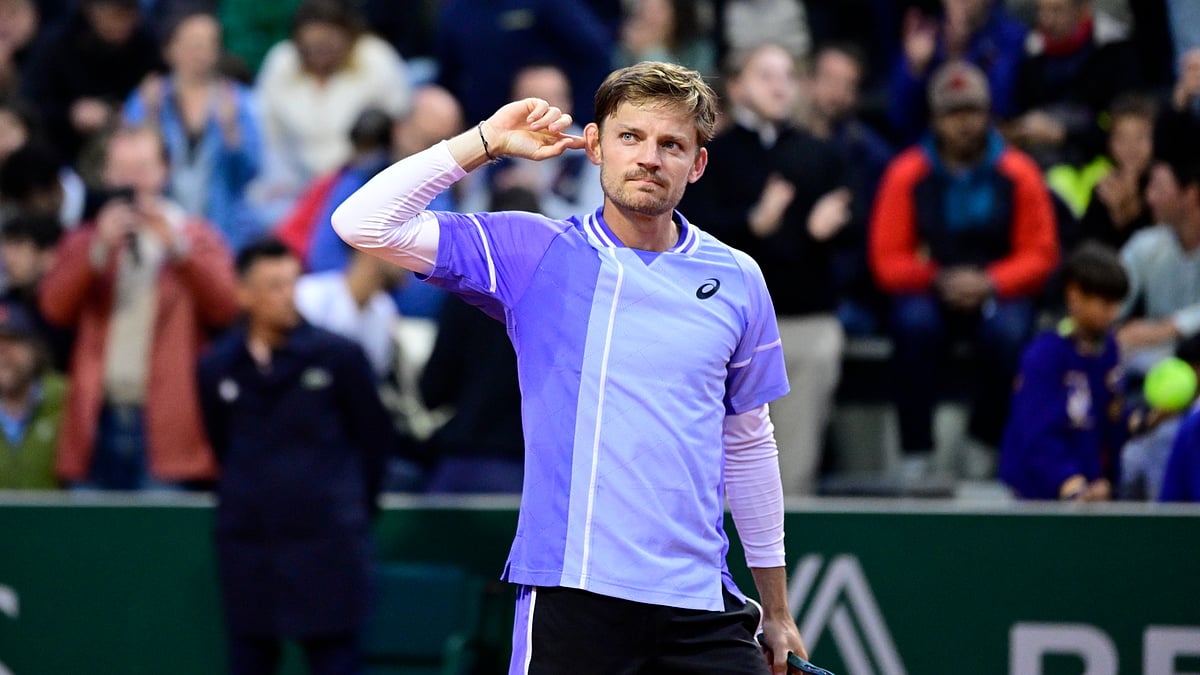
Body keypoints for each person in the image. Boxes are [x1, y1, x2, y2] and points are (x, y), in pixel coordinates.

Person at [333, 61, 808, 674]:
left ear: (696, 165)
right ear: (594, 145)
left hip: (702, 606)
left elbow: (747, 441)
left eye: (671, 145)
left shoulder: (740, 278)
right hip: (573, 595)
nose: (649, 158)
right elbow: (362, 221)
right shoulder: (534, 251)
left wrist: (776, 608)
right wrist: (484, 143)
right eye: (630, 136)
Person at [198, 238, 391, 675]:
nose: (288, 296)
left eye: (292, 284)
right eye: (273, 286)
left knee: (335, 660)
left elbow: (374, 440)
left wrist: (351, 512)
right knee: (249, 659)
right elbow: (221, 442)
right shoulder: (218, 367)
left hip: (328, 544)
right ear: (243, 294)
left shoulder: (338, 356)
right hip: (250, 546)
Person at [869, 60, 1059, 478]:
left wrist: (991, 282)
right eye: (953, 113)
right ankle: (915, 453)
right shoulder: (907, 173)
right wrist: (936, 279)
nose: (964, 124)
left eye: (972, 111)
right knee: (913, 325)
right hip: (933, 286)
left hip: (998, 289)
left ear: (988, 114)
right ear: (935, 119)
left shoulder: (1019, 172)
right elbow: (887, 259)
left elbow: (1041, 253)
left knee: (1010, 333)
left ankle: (984, 445)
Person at [680, 42, 850, 496]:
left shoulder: (822, 153)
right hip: (724, 325)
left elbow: (859, 230)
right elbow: (688, 230)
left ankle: (785, 555)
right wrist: (752, 223)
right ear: (736, 87)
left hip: (805, 320)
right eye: (766, 75)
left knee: (793, 466)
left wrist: (829, 228)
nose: (780, 86)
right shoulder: (708, 156)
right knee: (716, 459)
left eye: (788, 76)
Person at [38, 126, 239, 490]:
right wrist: (96, 251)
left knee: (161, 535)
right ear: (108, 176)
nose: (134, 182)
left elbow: (226, 307)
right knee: (91, 534)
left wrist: (180, 252)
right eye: (123, 171)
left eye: (143, 169)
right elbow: (54, 309)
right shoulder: (87, 238)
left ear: (165, 171)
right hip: (97, 415)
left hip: (166, 418)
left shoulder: (195, 235)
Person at [251, 0, 411, 224]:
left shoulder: (376, 59)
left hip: (361, 181)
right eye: (312, 48)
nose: (320, 55)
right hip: (296, 185)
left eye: (328, 46)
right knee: (262, 214)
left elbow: (400, 126)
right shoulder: (281, 62)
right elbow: (268, 136)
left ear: (349, 37)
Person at [122, 9, 262, 250]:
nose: (202, 53)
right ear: (169, 49)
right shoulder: (147, 98)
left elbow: (250, 173)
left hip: (223, 230)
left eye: (210, 44)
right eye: (193, 44)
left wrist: (231, 131)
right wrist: (150, 117)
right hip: (158, 227)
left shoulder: (239, 100)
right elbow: (125, 167)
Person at [998, 243, 1127, 500]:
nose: (1112, 313)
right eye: (1104, 303)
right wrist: (1072, 484)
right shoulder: (1044, 355)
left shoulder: (1109, 349)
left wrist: (1145, 420)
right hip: (1038, 501)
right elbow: (1038, 435)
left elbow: (1111, 416)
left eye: (1116, 303)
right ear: (1074, 294)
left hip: (1092, 492)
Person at [457, 63, 604, 222]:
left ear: (568, 103)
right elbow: (468, 219)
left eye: (550, 100)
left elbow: (594, 223)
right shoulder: (494, 151)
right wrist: (500, 192)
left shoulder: (589, 153)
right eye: (532, 101)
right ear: (513, 106)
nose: (542, 111)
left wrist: (538, 195)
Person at [21, 0, 162, 163]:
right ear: (91, 11)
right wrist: (71, 113)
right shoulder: (57, 43)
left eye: (128, 15)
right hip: (65, 150)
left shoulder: (145, 41)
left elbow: (162, 72)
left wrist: (153, 86)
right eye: (114, 15)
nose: (121, 25)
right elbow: (31, 103)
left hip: (128, 143)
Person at [1007, 0, 1142, 168]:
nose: (1047, 20)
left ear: (1083, 11)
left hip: (1102, 167)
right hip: (1042, 165)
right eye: (1042, 11)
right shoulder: (1031, 56)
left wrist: (1063, 134)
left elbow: (1125, 131)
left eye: (1057, 11)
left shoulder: (1115, 55)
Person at [888, 0, 1027, 145]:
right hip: (931, 151)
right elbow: (900, 119)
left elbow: (1003, 107)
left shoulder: (1012, 37)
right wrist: (916, 69)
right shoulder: (924, 33)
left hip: (994, 147)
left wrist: (961, 54)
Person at [1116, 157, 1200, 368]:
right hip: (1154, 361)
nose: (1149, 198)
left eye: (1159, 188)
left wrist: (1166, 328)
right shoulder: (1145, 244)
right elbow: (1113, 295)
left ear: (1191, 194)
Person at [295, 246, 405, 380]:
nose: (409, 256)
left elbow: (373, 377)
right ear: (367, 248)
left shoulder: (386, 309)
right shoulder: (309, 294)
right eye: (398, 246)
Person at [1072, 94, 1156, 250]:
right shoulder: (1103, 188)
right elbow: (1088, 246)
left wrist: (1128, 213)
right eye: (1122, 138)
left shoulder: (1160, 189)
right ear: (1110, 143)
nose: (1131, 147)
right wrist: (1115, 212)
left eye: (1140, 137)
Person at [0, 302, 66, 490]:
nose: (2, 353)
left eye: (12, 341)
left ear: (35, 349)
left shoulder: (68, 401)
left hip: (55, 518)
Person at [0, 212, 72, 370]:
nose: (7, 258)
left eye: (18, 246)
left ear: (49, 256)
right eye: (6, 246)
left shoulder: (70, 310)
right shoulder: (7, 303)